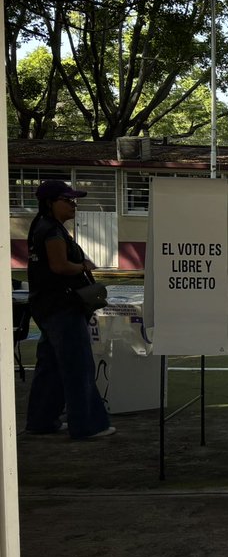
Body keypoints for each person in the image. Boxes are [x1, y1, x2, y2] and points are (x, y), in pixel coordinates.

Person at [24, 179, 115, 439]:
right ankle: (88, 425)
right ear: (50, 203)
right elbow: (60, 266)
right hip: (62, 306)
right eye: (68, 200)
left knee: (50, 366)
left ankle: (41, 420)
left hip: (47, 306)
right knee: (78, 367)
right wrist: (84, 266)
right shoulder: (51, 231)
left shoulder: (41, 227)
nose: (73, 205)